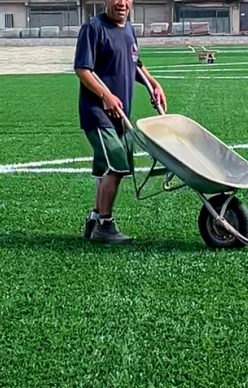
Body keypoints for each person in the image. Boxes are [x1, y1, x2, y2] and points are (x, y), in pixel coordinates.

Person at [73, 0, 167, 244]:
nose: (121, 3)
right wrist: (106, 96)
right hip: (97, 113)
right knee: (118, 163)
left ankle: (94, 219)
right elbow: (83, 69)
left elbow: (135, 63)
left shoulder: (128, 29)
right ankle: (105, 224)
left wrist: (153, 85)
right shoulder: (94, 28)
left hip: (121, 115)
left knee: (107, 169)